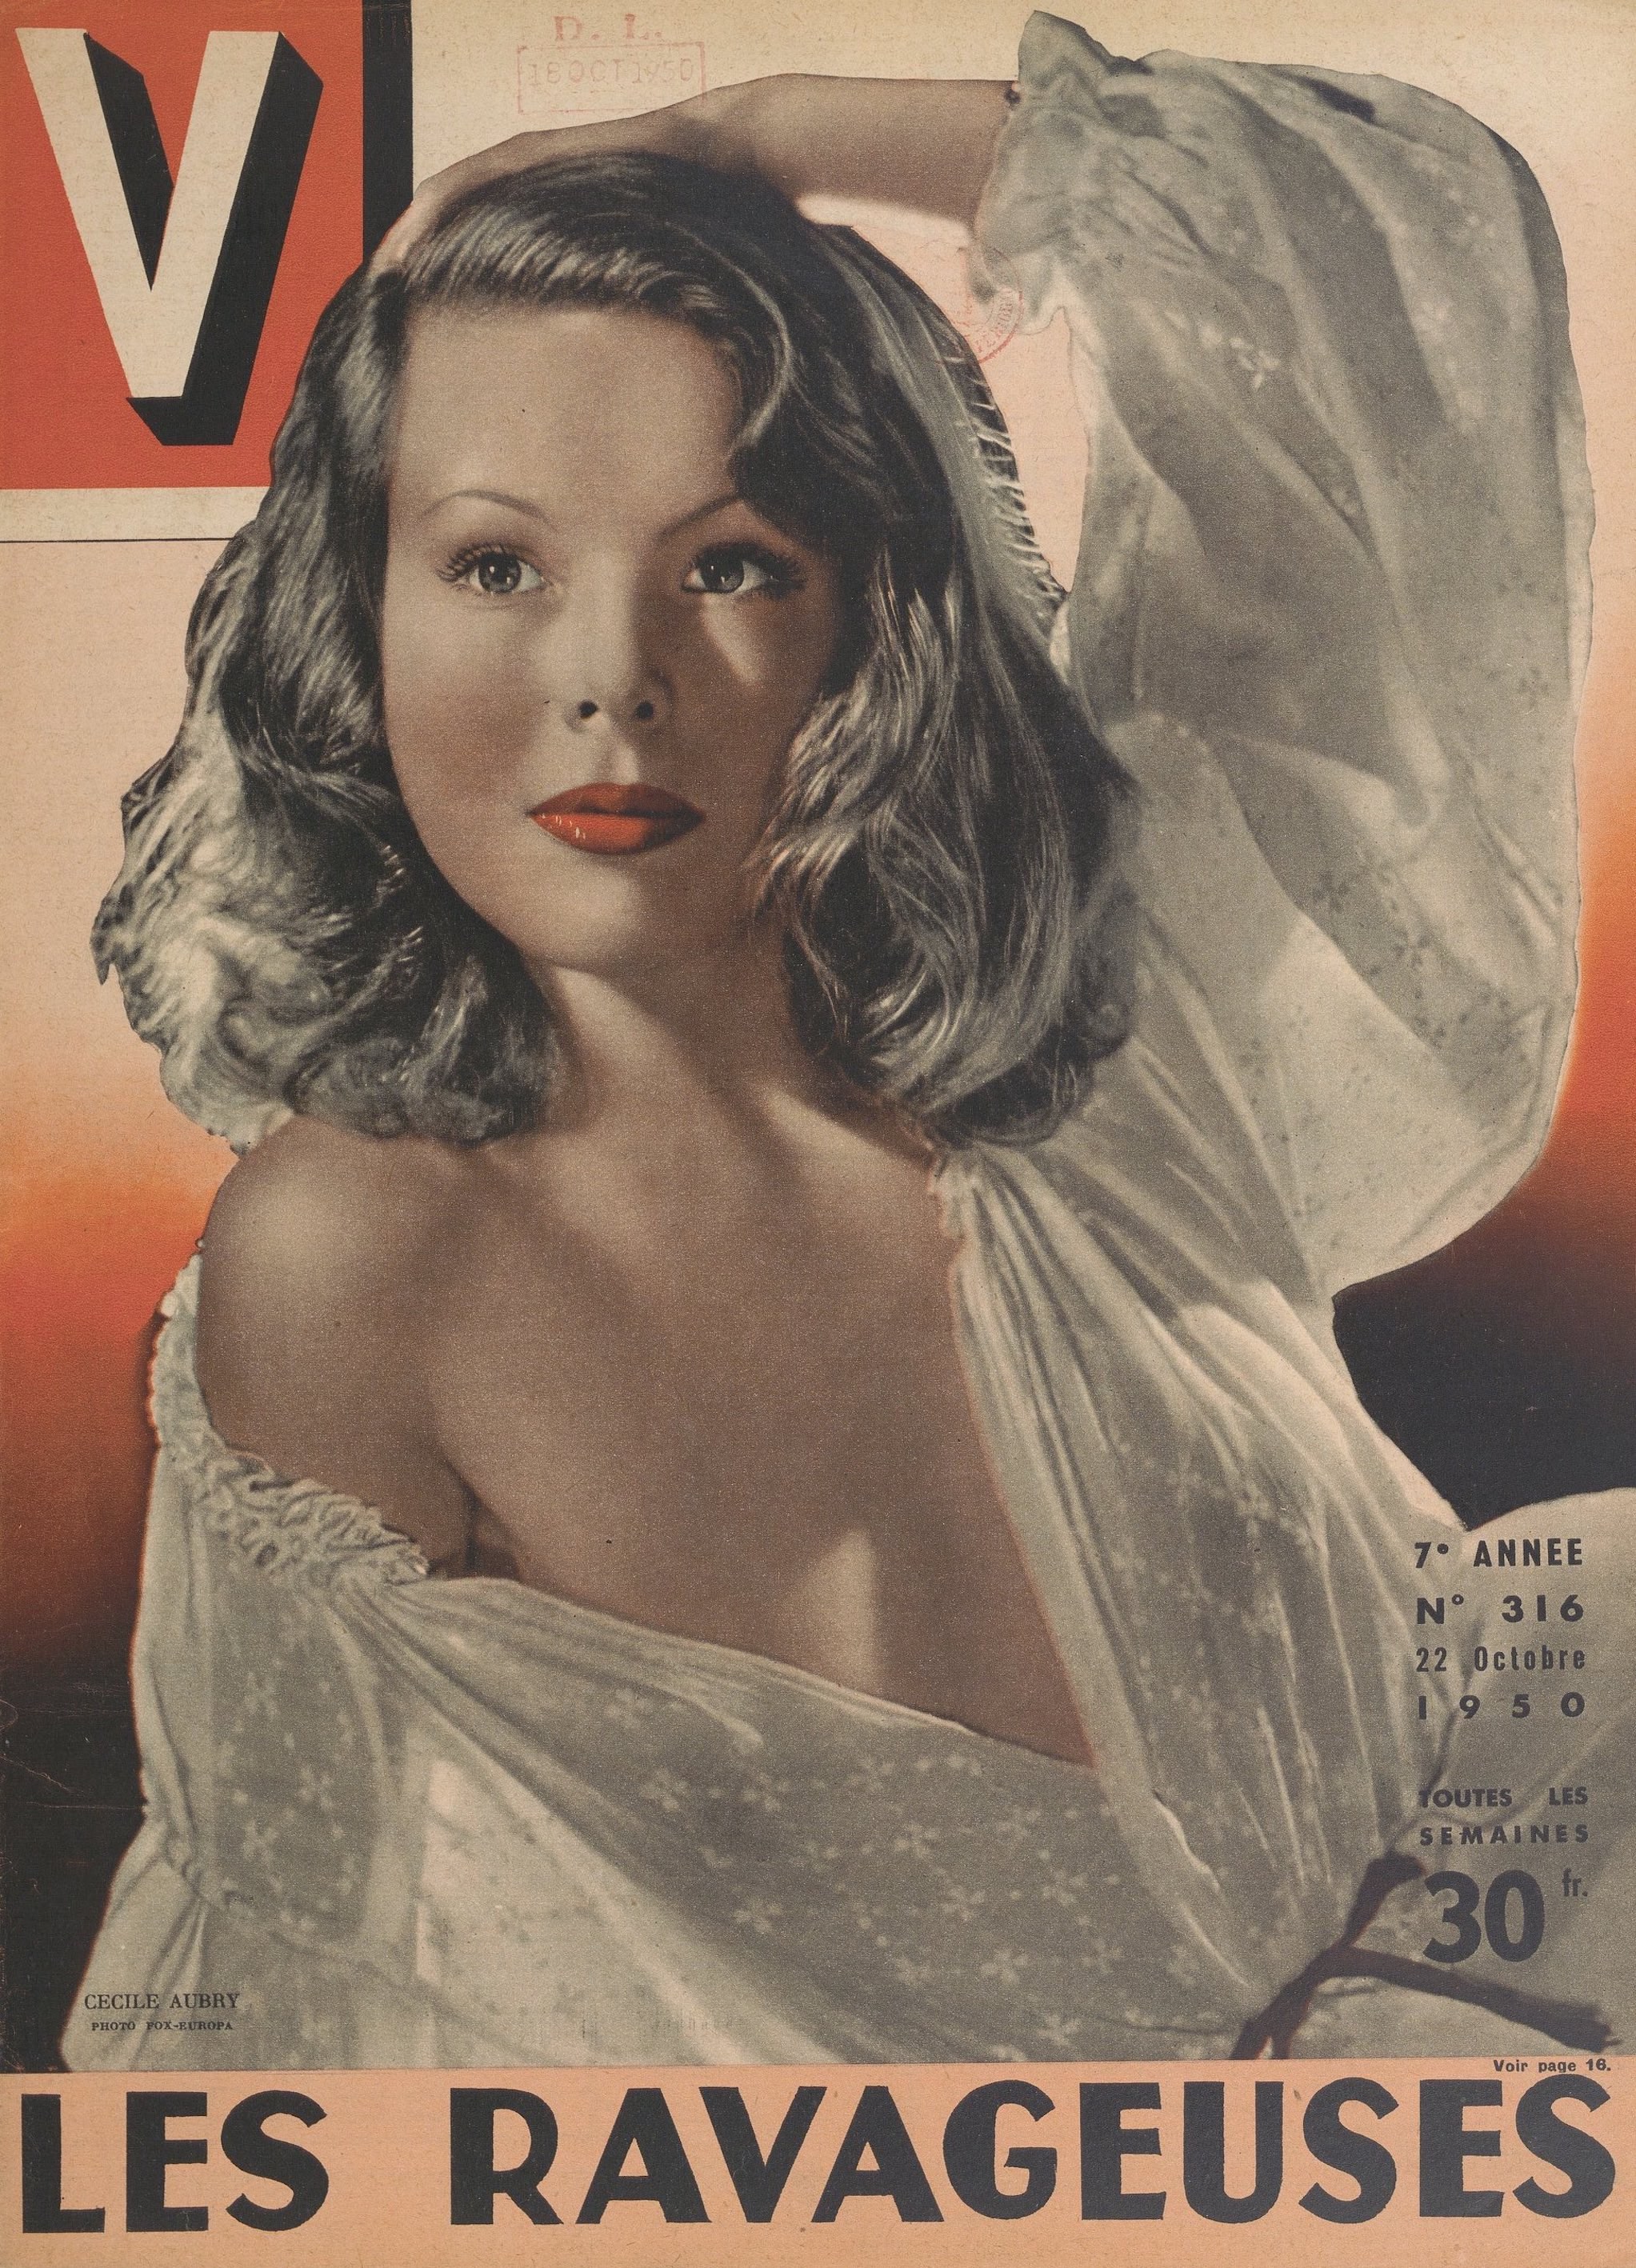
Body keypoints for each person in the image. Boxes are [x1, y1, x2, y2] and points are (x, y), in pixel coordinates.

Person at [66, 13, 1631, 2070]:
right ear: (357, 616)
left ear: (879, 618)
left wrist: (759, 130)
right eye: (495, 563)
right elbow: (290, 2025)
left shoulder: (1126, 1038)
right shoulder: (361, 1250)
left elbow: (1385, 282)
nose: (612, 678)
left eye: (732, 564)